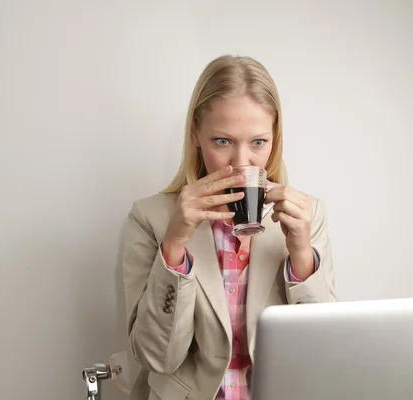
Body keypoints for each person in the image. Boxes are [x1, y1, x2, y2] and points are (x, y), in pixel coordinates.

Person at [121, 54, 337, 400]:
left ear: (275, 137)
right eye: (222, 141)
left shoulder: (307, 215)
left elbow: (322, 354)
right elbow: (156, 357)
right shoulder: (151, 218)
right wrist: (175, 244)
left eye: (258, 142)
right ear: (196, 133)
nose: (241, 162)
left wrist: (300, 254)